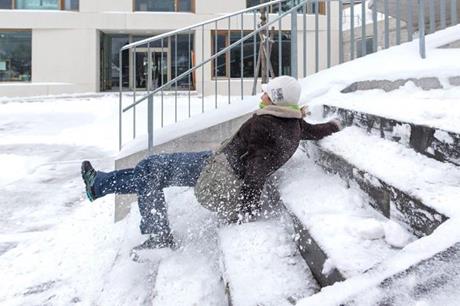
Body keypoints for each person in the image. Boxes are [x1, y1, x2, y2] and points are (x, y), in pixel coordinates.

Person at [81, 76, 341, 250]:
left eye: (267, 93)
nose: (262, 95)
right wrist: (334, 126)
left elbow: (256, 171)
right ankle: (102, 186)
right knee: (150, 168)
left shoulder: (268, 126)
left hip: (217, 171)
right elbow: (313, 131)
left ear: (276, 98)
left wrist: (247, 210)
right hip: (216, 162)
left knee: (152, 169)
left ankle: (157, 233)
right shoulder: (290, 122)